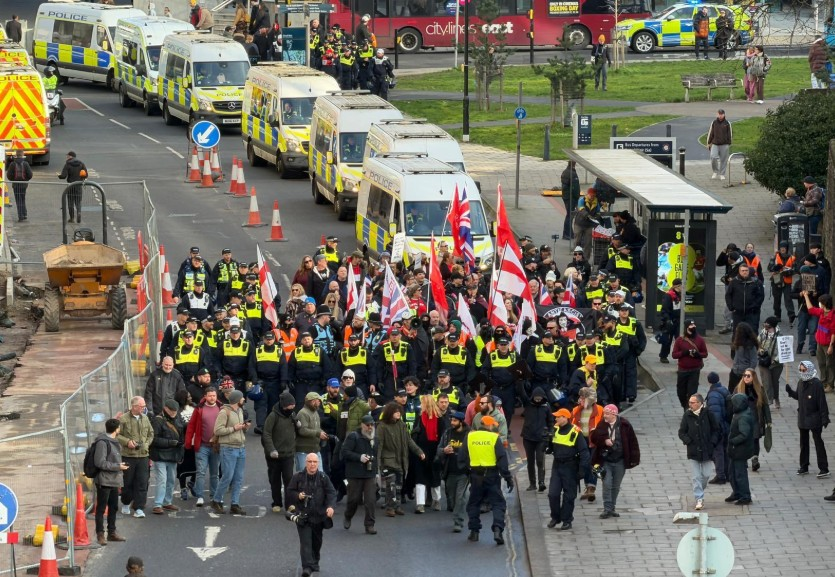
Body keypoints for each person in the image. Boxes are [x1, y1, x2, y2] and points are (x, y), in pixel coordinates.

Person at [458, 415, 514, 544]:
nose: (495, 426)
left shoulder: (470, 437)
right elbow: (501, 459)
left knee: (474, 503)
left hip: (475, 476)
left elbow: (462, 457)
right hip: (492, 475)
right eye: (494, 424)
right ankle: (498, 530)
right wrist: (507, 477)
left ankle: (474, 532)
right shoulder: (494, 438)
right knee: (498, 503)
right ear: (489, 425)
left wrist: (468, 470)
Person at [286, 453, 337, 577]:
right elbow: (289, 492)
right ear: (306, 463)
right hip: (302, 516)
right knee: (306, 542)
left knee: (316, 542)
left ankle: (314, 562)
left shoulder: (324, 478)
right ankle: (307, 567)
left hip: (319, 517)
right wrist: (298, 496)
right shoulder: (297, 477)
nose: (312, 464)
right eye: (310, 462)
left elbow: (331, 493)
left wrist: (330, 507)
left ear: (318, 463)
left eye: (315, 462)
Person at [590, 404, 640, 518]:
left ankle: (612, 507)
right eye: (604, 413)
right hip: (606, 460)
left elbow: (633, 442)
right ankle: (607, 508)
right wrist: (604, 440)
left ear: (614, 414)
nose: (605, 416)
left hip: (620, 461)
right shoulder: (602, 424)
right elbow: (594, 438)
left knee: (616, 486)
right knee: (607, 484)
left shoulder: (624, 425)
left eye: (607, 414)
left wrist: (634, 459)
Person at [376, 401, 425, 517]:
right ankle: (390, 507)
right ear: (389, 413)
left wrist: (419, 452)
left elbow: (409, 441)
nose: (398, 414)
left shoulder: (402, 425)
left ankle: (397, 506)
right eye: (396, 412)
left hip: (401, 460)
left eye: (399, 411)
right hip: (388, 460)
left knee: (399, 485)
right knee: (391, 485)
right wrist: (377, 463)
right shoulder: (382, 426)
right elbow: (379, 445)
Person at [546, 408, 589, 530]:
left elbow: (584, 452)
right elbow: (551, 447)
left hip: (570, 466)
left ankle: (567, 520)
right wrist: (547, 444)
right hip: (557, 465)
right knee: (552, 494)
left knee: (569, 496)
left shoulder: (575, 432)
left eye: (558, 417)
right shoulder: (555, 429)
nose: (556, 418)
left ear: (565, 418)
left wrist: (582, 469)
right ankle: (555, 517)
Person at [786, 361, 830, 478]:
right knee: (803, 444)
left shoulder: (817, 384)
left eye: (804, 370)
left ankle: (824, 468)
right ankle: (804, 466)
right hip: (803, 418)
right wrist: (790, 392)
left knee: (818, 443)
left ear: (809, 369)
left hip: (814, 418)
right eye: (800, 370)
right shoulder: (801, 382)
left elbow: (822, 402)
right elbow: (799, 397)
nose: (802, 372)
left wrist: (824, 417)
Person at [211, 389, 250, 515]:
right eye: (242, 398)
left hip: (240, 447)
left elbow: (239, 430)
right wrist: (234, 428)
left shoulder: (240, 411)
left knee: (238, 478)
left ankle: (235, 503)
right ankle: (216, 500)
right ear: (237, 400)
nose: (244, 400)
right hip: (228, 448)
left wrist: (244, 428)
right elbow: (217, 430)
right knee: (227, 476)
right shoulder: (224, 412)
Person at [678, 394, 720, 511]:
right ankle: (699, 498)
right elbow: (682, 432)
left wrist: (712, 442)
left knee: (706, 475)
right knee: (696, 476)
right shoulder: (687, 415)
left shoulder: (708, 414)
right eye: (689, 402)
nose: (690, 404)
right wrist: (688, 441)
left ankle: (699, 490)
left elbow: (716, 429)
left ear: (700, 403)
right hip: (693, 451)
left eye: (693, 402)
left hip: (707, 450)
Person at [92, 418, 129, 546]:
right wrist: (117, 466)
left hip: (114, 480)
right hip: (104, 480)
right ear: (117, 429)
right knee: (101, 508)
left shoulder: (114, 441)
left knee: (113, 507)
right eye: (119, 428)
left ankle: (112, 532)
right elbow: (100, 462)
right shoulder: (103, 443)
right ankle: (100, 534)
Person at [184, 386, 222, 507]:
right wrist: (188, 442)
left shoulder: (221, 408)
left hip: (216, 446)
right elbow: (191, 426)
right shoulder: (199, 409)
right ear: (205, 396)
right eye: (210, 396)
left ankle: (214, 496)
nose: (212, 398)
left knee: (215, 473)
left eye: (214, 396)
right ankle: (200, 496)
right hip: (202, 446)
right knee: (200, 472)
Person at [341, 414, 378, 534]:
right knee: (354, 500)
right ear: (362, 425)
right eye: (368, 425)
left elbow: (376, 455)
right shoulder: (353, 436)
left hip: (369, 473)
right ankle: (348, 515)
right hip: (355, 473)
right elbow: (345, 452)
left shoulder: (374, 438)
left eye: (372, 425)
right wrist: (359, 457)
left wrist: (376, 471)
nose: (370, 427)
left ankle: (369, 525)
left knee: (370, 500)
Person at [118, 397, 154, 518]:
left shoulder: (145, 418)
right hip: (128, 456)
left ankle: (139, 507)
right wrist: (127, 442)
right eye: (141, 406)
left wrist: (147, 444)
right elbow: (117, 435)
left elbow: (151, 433)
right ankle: (126, 503)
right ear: (134, 406)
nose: (144, 408)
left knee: (142, 482)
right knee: (127, 481)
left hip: (143, 456)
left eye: (144, 406)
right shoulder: (123, 419)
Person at [263, 391, 297, 513]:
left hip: (288, 454)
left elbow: (297, 429)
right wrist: (271, 449)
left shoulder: (292, 415)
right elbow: (266, 434)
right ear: (284, 405)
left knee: (289, 479)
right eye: (290, 406)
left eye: (293, 406)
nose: (292, 408)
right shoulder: (273, 416)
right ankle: (276, 503)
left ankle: (290, 504)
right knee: (275, 480)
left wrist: (298, 424)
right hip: (274, 456)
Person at [150, 399, 185, 514]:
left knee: (171, 479)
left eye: (175, 411)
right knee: (162, 480)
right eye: (172, 411)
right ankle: (158, 504)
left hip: (173, 454)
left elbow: (182, 431)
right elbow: (154, 439)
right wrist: (170, 443)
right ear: (165, 408)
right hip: (160, 454)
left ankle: (167, 502)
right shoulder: (157, 420)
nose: (174, 413)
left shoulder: (178, 417)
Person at [437, 410, 470, 532]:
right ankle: (455, 512)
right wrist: (444, 451)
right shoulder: (447, 433)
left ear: (461, 422)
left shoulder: (469, 434)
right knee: (452, 497)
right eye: (451, 420)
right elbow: (439, 450)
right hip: (449, 471)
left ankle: (458, 522)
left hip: (463, 472)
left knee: (460, 497)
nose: (452, 422)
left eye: (455, 420)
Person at [734, 368, 771, 473]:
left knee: (755, 440)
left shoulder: (760, 389)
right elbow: (732, 404)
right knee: (743, 439)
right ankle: (744, 459)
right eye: (744, 375)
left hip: (755, 418)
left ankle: (755, 459)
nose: (745, 377)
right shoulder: (738, 389)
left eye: (748, 376)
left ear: (753, 377)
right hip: (742, 419)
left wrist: (769, 421)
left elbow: (765, 406)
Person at [521, 387, 554, 492]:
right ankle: (532, 483)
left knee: (540, 460)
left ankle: (541, 482)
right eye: (536, 398)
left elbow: (550, 421)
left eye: (540, 398)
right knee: (530, 462)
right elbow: (522, 392)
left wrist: (551, 432)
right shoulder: (528, 404)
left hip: (541, 438)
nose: (538, 400)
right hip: (528, 437)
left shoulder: (546, 406)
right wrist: (520, 381)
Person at [725, 393, 755, 505]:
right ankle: (737, 492)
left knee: (740, 474)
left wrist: (732, 441)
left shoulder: (743, 417)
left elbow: (744, 434)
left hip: (740, 450)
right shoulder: (740, 413)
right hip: (736, 450)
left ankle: (745, 496)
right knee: (732, 472)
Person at [671, 320, 707, 409]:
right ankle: (685, 406)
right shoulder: (680, 340)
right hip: (682, 370)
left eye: (694, 325)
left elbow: (705, 353)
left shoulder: (700, 340)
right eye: (691, 325)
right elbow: (674, 355)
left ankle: (688, 410)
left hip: (694, 370)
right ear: (686, 327)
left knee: (692, 393)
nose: (693, 327)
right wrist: (685, 353)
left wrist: (697, 354)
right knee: (681, 393)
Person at [804, 293, 835, 392]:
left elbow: (833, 332)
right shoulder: (821, 312)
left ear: (825, 303)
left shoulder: (832, 316)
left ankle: (830, 384)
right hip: (820, 343)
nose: (819, 304)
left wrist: (831, 346)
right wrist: (806, 296)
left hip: (828, 344)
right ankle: (823, 382)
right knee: (821, 363)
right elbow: (811, 309)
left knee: (830, 364)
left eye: (820, 302)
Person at [705, 373, 730, 485]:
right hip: (726, 425)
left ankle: (720, 475)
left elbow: (715, 414)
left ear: (709, 381)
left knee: (718, 451)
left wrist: (714, 429)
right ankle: (728, 474)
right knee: (725, 450)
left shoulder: (713, 395)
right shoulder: (724, 389)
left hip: (719, 427)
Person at [725, 263, 764, 332]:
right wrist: (731, 307)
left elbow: (760, 296)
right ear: (739, 272)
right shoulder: (734, 282)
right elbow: (728, 295)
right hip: (738, 312)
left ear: (749, 271)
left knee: (752, 330)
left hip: (752, 312)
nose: (744, 272)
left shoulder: (756, 282)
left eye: (746, 270)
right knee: (738, 331)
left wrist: (755, 306)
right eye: (742, 270)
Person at [57, 151, 87, 224]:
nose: (67, 157)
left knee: (70, 202)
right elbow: (85, 175)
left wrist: (59, 176)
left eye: (67, 156)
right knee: (78, 202)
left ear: (70, 156)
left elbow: (63, 176)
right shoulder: (81, 163)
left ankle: (72, 218)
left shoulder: (68, 164)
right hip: (78, 185)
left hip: (70, 186)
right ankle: (79, 213)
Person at [573, 188, 601, 257]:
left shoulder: (596, 202)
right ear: (587, 194)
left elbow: (598, 212)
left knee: (588, 243)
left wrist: (596, 217)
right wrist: (588, 215)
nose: (592, 197)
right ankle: (576, 257)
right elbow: (581, 209)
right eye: (591, 195)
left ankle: (586, 259)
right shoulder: (582, 200)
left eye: (593, 196)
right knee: (577, 241)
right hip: (579, 223)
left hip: (589, 225)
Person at [6, 150, 32, 221]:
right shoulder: (26, 163)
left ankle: (20, 216)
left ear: (16, 155)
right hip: (24, 185)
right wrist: (26, 180)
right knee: (23, 199)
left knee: (18, 200)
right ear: (22, 155)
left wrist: (13, 180)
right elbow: (30, 175)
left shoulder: (12, 164)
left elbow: (8, 175)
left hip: (16, 185)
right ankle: (24, 214)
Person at [707, 109, 732, 180]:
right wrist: (709, 143)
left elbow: (730, 133)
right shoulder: (714, 123)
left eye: (722, 114)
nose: (720, 115)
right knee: (713, 157)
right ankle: (715, 171)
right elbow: (710, 133)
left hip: (724, 144)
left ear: (724, 115)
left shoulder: (727, 123)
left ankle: (722, 174)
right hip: (715, 144)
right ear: (717, 114)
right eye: (719, 114)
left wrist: (729, 143)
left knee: (724, 160)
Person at [559, 161, 579, 241]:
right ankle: (567, 233)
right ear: (574, 164)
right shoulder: (572, 174)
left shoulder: (565, 172)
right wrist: (577, 197)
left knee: (569, 215)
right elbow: (575, 187)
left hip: (566, 196)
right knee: (570, 215)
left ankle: (569, 233)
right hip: (571, 197)